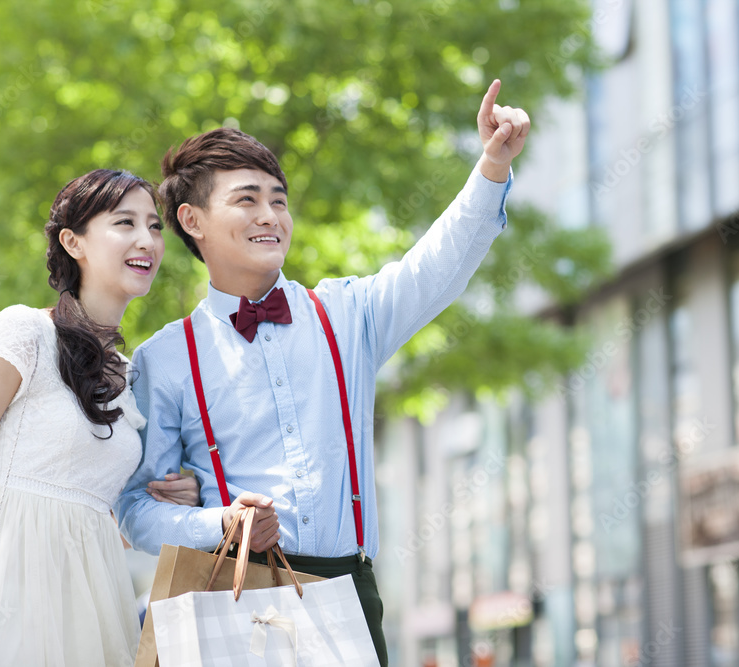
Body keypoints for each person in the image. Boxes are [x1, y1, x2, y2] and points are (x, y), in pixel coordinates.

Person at [114, 79, 530, 665]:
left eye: (278, 200)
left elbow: (438, 267)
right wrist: (219, 524)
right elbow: (135, 509)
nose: (270, 216)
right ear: (192, 220)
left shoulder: (346, 312)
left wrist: (490, 165)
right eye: (247, 199)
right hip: (232, 597)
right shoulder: (166, 359)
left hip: (348, 595)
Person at [0, 170, 202, 667]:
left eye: (154, 226)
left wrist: (174, 499)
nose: (146, 240)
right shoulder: (23, 332)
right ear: (73, 242)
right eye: (124, 222)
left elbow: (98, 510)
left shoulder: (132, 379)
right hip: (1, 588)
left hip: (92, 600)